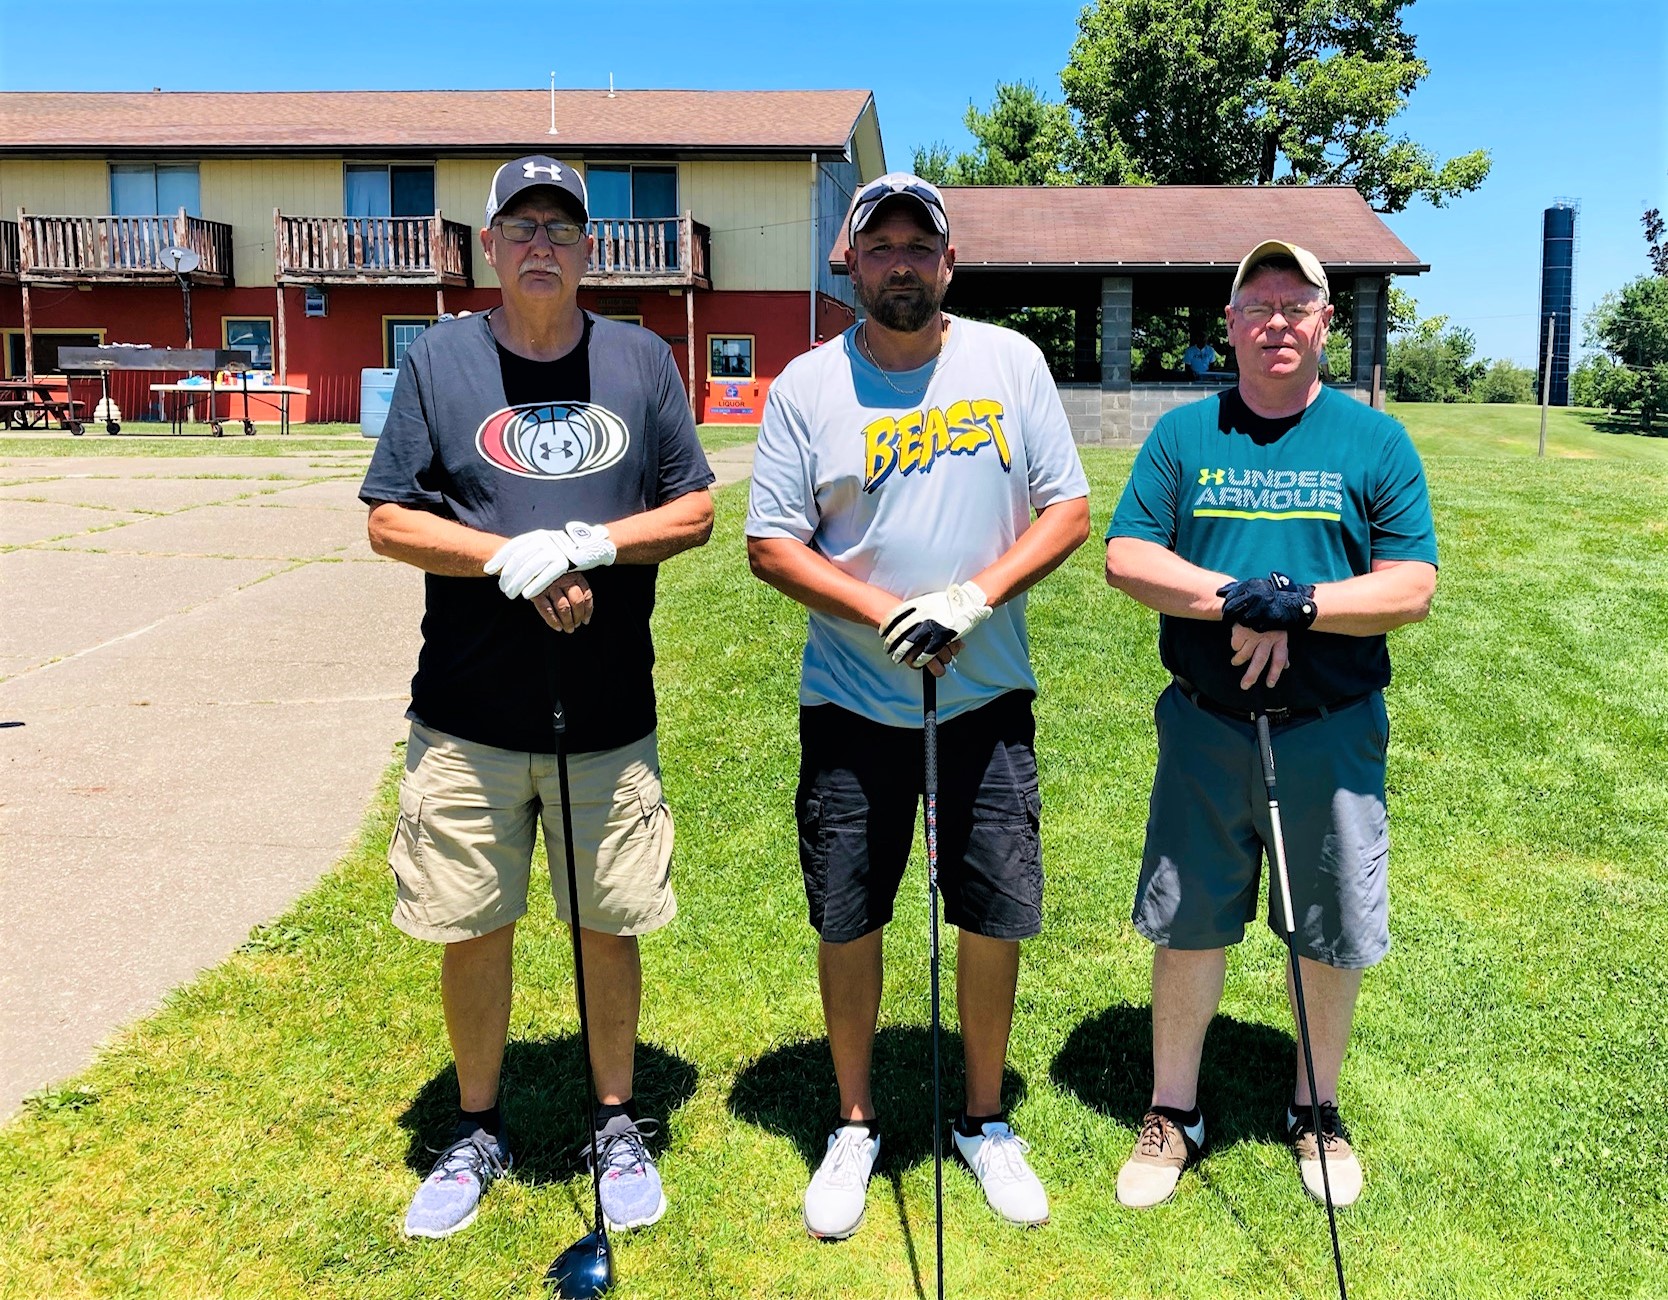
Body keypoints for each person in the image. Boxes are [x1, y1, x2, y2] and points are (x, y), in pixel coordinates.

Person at [360, 155, 714, 1240]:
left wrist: (592, 543)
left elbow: (695, 509)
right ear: (491, 246)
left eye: (562, 227)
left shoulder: (641, 360)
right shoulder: (439, 361)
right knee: (473, 924)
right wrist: (504, 557)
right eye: (522, 227)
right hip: (467, 715)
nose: (542, 246)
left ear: (589, 248)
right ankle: (477, 1127)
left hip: (606, 715)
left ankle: (614, 1121)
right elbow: (388, 518)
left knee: (607, 922)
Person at [745, 173, 1090, 1239]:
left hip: (984, 700)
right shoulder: (807, 386)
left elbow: (1068, 509)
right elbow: (771, 543)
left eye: (919, 246)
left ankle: (985, 1118)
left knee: (991, 912)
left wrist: (973, 598)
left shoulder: (1010, 362)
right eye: (880, 246)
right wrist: (888, 611)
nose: (901, 263)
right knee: (848, 913)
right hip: (853, 705)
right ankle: (855, 1122)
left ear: (950, 261)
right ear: (850, 262)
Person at [1103, 240, 1437, 1209]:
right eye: (1259, 305)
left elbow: (1411, 586)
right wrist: (1239, 600)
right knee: (1188, 920)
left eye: (1298, 305)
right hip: (1206, 727)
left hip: (1330, 730)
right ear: (1232, 325)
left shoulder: (1375, 442)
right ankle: (1173, 1110)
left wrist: (1304, 606)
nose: (1278, 322)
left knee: (1328, 928)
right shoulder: (1185, 436)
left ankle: (1315, 1109)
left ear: (1326, 322)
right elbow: (1127, 556)